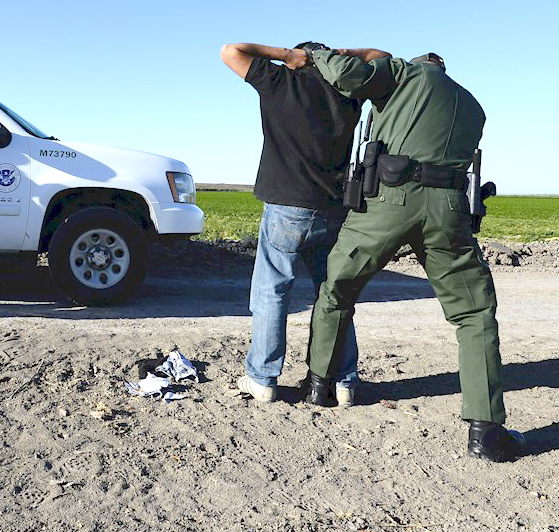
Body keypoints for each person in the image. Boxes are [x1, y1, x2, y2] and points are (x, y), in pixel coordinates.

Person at [303, 48, 522, 462]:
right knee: (474, 315)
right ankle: (486, 431)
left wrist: (318, 54)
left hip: (388, 201)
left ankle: (320, 385)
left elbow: (348, 75)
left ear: (420, 64)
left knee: (337, 289)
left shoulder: (404, 74)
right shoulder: (473, 107)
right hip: (450, 209)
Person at [220, 42, 362, 405]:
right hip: (333, 210)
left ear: (298, 61)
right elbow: (382, 56)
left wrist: (285, 56)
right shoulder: (347, 90)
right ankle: (343, 382)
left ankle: (262, 378)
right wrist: (339, 56)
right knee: (334, 296)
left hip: (286, 207)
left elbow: (230, 51)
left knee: (271, 291)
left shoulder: (280, 81)